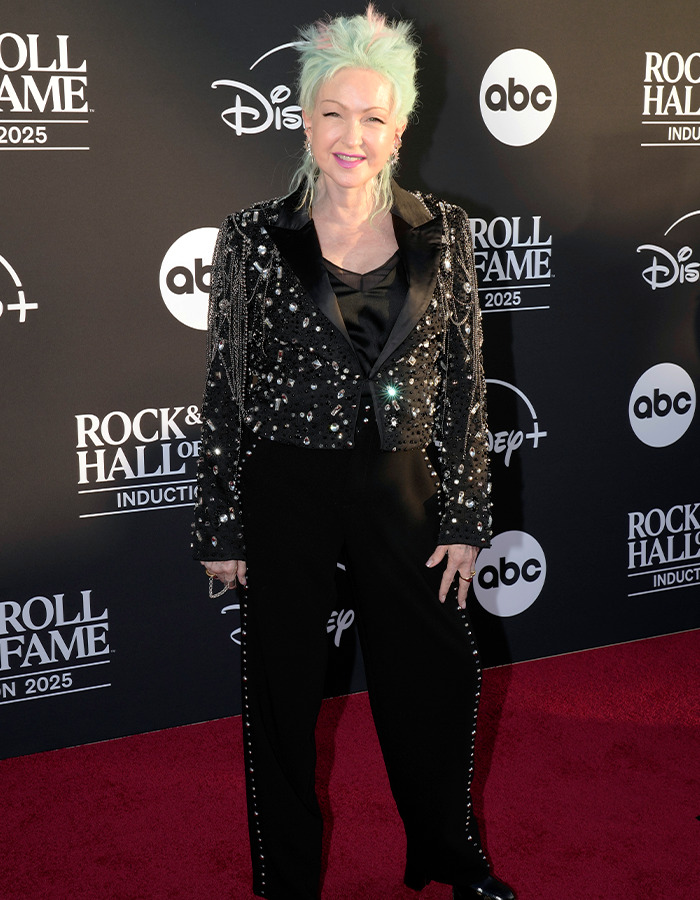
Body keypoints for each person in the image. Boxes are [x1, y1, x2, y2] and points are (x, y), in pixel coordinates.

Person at [193, 7, 515, 899]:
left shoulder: (442, 232)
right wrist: (221, 520)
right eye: (334, 113)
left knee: (435, 678)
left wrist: (464, 516)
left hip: (399, 483)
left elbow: (463, 382)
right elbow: (225, 384)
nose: (352, 135)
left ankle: (451, 855)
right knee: (284, 695)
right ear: (304, 116)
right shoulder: (254, 237)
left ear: (399, 127)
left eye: (373, 117)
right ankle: (287, 879)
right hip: (286, 481)